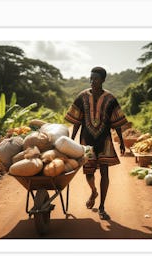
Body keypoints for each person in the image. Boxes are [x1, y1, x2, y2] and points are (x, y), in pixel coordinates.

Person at [65, 66, 128, 220]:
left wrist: (121, 141)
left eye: (96, 78)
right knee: (89, 172)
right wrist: (71, 140)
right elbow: (77, 121)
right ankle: (93, 191)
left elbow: (117, 121)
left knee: (105, 172)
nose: (92, 81)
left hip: (105, 140)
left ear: (103, 80)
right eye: (91, 78)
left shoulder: (110, 99)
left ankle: (102, 207)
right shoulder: (81, 97)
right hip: (86, 141)